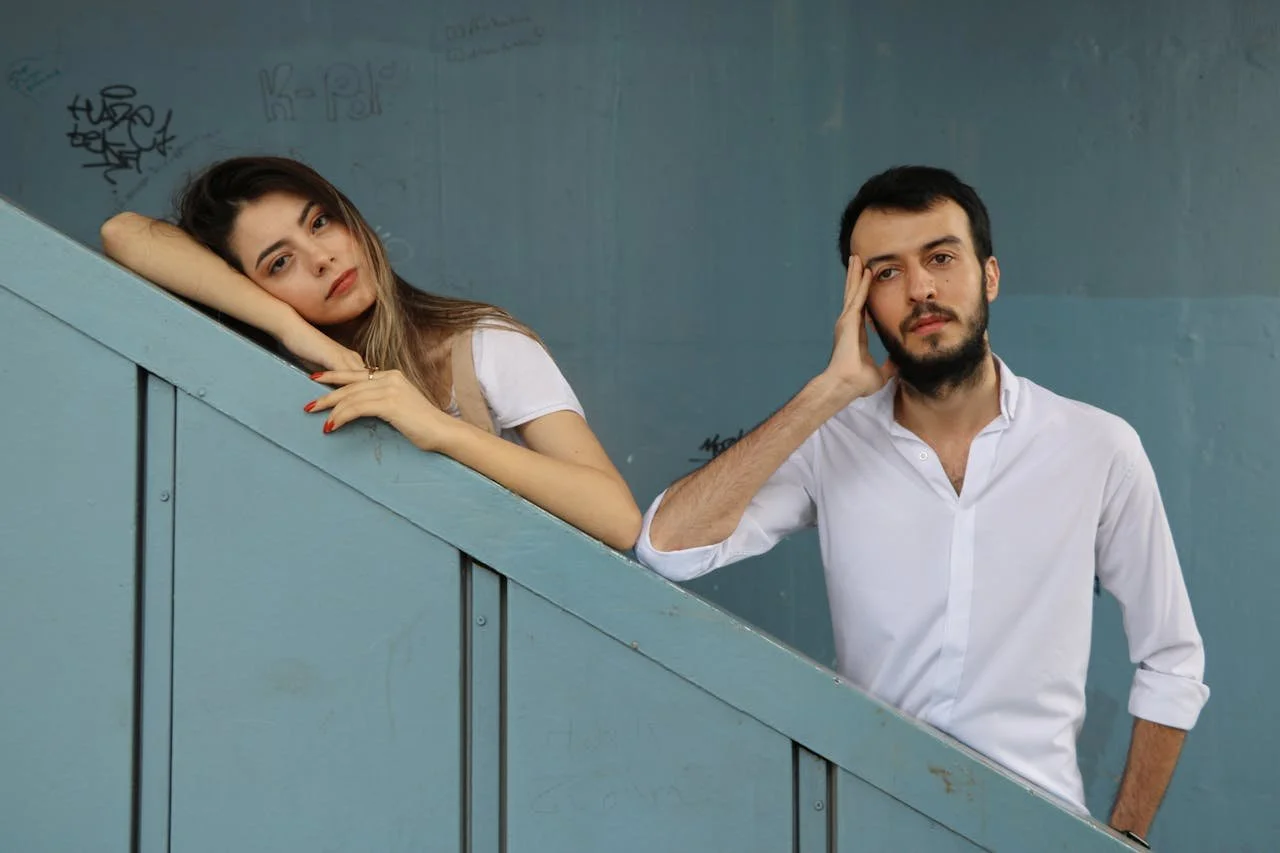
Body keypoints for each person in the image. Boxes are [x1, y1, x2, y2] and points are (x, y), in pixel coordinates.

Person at [634, 165, 1207, 841]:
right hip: (869, 826)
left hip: (1042, 831)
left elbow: (1172, 660)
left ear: (989, 276)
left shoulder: (1097, 447)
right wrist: (827, 393)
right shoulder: (830, 442)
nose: (922, 288)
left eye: (940, 257)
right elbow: (666, 547)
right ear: (860, 305)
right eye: (886, 272)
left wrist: (1125, 840)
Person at [101, 156, 642, 551]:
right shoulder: (268, 369)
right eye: (278, 263)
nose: (321, 258)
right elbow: (122, 233)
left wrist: (441, 429)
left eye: (319, 223)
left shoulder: (480, 345)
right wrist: (296, 333)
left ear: (350, 219)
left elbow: (617, 519)